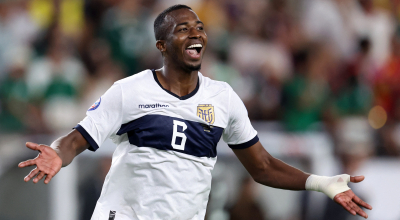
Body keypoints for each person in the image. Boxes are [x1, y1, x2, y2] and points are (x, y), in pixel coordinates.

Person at [18, 5, 372, 220]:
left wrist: (322, 183)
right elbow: (79, 138)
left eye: (199, 27)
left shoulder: (223, 98)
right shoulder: (129, 91)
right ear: (162, 45)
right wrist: (57, 153)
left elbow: (262, 167)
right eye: (182, 28)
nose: (195, 32)